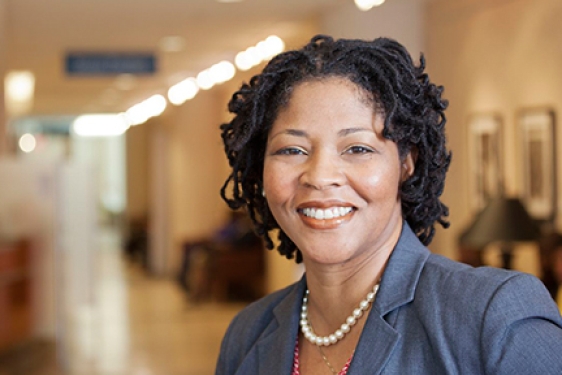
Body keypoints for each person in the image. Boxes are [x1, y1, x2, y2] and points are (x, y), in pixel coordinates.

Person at [215, 35, 562, 374]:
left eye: (358, 149)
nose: (320, 177)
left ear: (406, 163)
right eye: (292, 150)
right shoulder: (247, 334)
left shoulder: (491, 317)